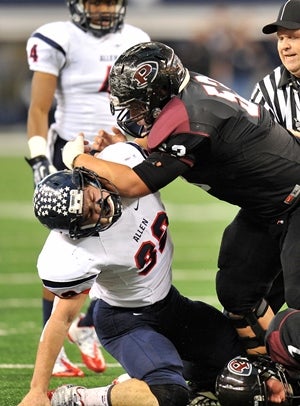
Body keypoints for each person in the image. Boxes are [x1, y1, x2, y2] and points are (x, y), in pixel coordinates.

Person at [60, 41, 300, 360]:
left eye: (137, 105)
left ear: (160, 93)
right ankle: (272, 372)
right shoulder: (185, 96)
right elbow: (169, 138)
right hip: (269, 207)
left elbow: (137, 183)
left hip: (296, 202)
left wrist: (78, 159)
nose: (133, 113)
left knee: (298, 308)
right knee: (237, 289)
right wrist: (132, 144)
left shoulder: (193, 116)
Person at [18, 140, 245, 406]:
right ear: (74, 231)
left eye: (91, 197)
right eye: (87, 215)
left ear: (87, 178)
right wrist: (37, 389)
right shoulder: (75, 252)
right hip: (126, 321)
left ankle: (138, 381)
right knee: (169, 394)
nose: (99, 208)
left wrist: (107, 140)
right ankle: (80, 399)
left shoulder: (122, 161)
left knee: (239, 360)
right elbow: (61, 318)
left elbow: (157, 140)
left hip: (171, 305)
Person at [25, 0, 150, 376]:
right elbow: (38, 108)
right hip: (71, 153)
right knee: (67, 245)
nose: (103, 9)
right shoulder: (57, 37)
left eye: (110, 1)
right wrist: (38, 160)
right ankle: (59, 342)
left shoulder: (136, 38)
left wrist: (137, 145)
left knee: (127, 237)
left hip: (116, 149)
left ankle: (88, 322)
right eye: (96, 1)